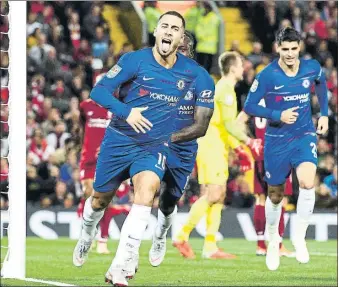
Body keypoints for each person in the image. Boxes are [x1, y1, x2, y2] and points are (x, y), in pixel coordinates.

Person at [72, 11, 215, 287]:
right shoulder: (135, 60)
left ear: (181, 38)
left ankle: (119, 266)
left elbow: (202, 123)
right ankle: (86, 235)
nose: (169, 32)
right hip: (119, 140)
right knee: (99, 199)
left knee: (147, 195)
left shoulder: (195, 74)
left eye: (175, 28)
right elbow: (99, 92)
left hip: (154, 147)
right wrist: (127, 113)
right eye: (165, 26)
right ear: (156, 32)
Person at [243, 27, 328, 271]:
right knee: (275, 195)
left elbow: (321, 85)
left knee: (308, 183)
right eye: (285, 49)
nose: (290, 54)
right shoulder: (267, 75)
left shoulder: (311, 67)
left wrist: (324, 114)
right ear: (277, 48)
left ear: (299, 47)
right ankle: (273, 240)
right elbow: (249, 106)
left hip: (303, 135)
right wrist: (277, 114)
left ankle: (299, 237)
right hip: (277, 140)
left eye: (294, 49)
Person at [173, 51, 263, 259]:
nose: (244, 68)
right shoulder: (227, 91)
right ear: (232, 68)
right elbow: (230, 124)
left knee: (219, 195)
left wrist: (237, 147)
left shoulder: (223, 88)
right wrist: (247, 142)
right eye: (241, 64)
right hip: (211, 146)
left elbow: (223, 125)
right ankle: (182, 235)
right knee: (213, 194)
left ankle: (210, 246)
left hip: (214, 145)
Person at [148, 31, 214, 267]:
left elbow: (201, 127)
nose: (178, 52)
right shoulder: (157, 73)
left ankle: (160, 234)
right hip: (154, 146)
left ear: (191, 52)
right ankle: (127, 255)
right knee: (146, 187)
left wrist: (168, 136)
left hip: (183, 150)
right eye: (176, 47)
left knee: (168, 201)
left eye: (183, 49)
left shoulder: (202, 79)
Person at [77, 73, 130, 254]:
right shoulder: (85, 106)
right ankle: (88, 234)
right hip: (88, 159)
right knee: (88, 194)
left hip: (107, 159)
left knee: (102, 199)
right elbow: (81, 128)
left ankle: (101, 240)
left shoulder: (116, 107)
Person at [237, 110, 295, 257]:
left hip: (260, 154)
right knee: (281, 200)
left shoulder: (256, 98)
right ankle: (279, 245)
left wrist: (251, 141)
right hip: (279, 152)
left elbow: (238, 122)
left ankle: (260, 245)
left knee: (261, 198)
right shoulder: (283, 94)